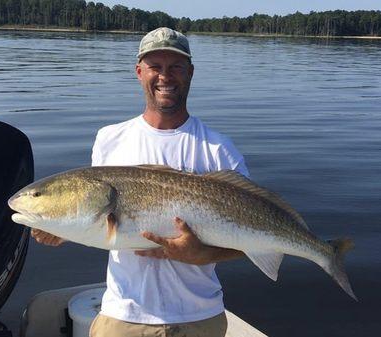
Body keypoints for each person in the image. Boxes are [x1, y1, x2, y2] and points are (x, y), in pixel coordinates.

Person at [31, 27, 249, 337]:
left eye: (175, 67)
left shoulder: (219, 148)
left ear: (190, 72)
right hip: (123, 316)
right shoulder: (109, 139)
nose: (165, 76)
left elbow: (252, 241)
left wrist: (202, 254)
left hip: (200, 318)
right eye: (155, 67)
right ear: (139, 72)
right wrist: (64, 228)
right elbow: (102, 217)